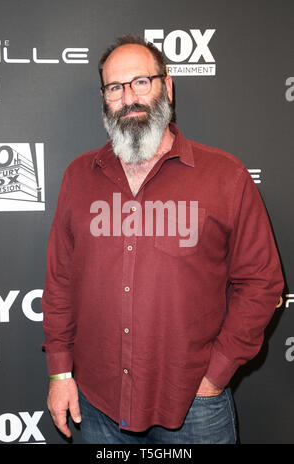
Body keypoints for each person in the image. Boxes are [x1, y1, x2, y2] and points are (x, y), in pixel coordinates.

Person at [41, 35, 284, 444]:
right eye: (116, 88)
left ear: (167, 87)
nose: (129, 98)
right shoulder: (78, 177)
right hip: (100, 406)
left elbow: (261, 282)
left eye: (141, 82)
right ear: (104, 99)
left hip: (195, 406)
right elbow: (60, 283)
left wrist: (216, 374)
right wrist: (61, 373)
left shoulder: (225, 175)